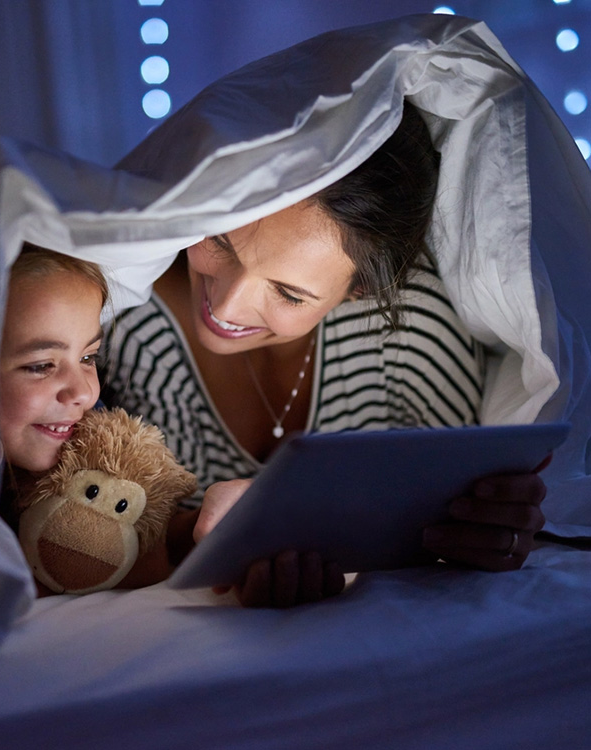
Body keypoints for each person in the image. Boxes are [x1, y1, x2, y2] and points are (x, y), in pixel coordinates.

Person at [103, 102, 548, 607]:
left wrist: (482, 526)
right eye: (221, 243)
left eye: (290, 294)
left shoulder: (408, 324)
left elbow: (454, 502)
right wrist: (203, 537)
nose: (225, 304)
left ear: (358, 291)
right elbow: (84, 528)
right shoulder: (128, 323)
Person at [0, 243, 173, 593]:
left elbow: (150, 560)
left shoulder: (89, 444)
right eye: (41, 366)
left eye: (89, 357)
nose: (83, 393)